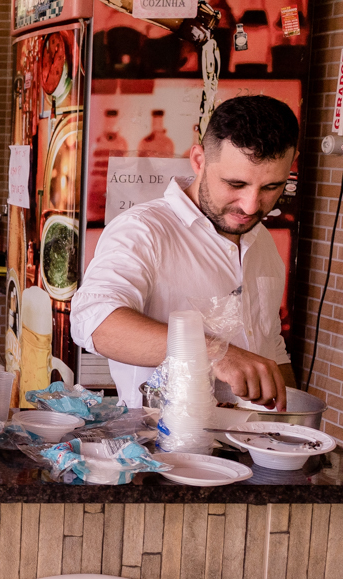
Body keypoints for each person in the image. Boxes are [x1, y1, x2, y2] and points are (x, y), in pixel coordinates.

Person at [71, 95, 298, 409]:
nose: (250, 205)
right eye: (235, 184)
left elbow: (268, 341)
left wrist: (291, 422)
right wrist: (215, 351)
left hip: (253, 450)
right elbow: (94, 323)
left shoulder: (262, 243)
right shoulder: (143, 230)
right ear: (199, 160)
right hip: (161, 449)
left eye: (271, 187)